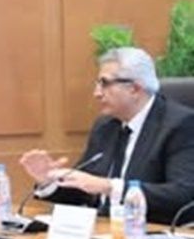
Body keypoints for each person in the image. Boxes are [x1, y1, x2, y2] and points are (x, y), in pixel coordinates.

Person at [18, 47, 194, 224]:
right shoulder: (106, 125)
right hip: (104, 231)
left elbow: (183, 194)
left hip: (152, 232)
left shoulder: (180, 125)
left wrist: (109, 187)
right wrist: (49, 181)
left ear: (134, 88)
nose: (97, 93)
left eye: (105, 83)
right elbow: (84, 190)